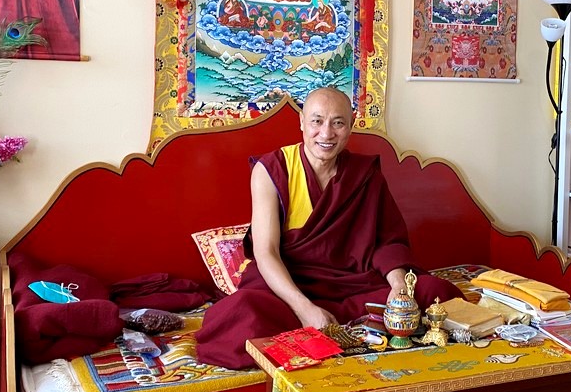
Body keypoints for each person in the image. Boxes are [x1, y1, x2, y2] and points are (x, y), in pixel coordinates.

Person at [195, 87, 462, 369]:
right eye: (317, 121)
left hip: (352, 284)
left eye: (338, 123)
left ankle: (325, 333)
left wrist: (398, 287)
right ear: (301, 122)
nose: (326, 133)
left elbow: (386, 242)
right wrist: (305, 309)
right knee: (242, 314)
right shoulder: (273, 170)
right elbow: (266, 252)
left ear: (351, 126)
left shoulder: (364, 175)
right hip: (291, 288)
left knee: (434, 292)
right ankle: (337, 328)